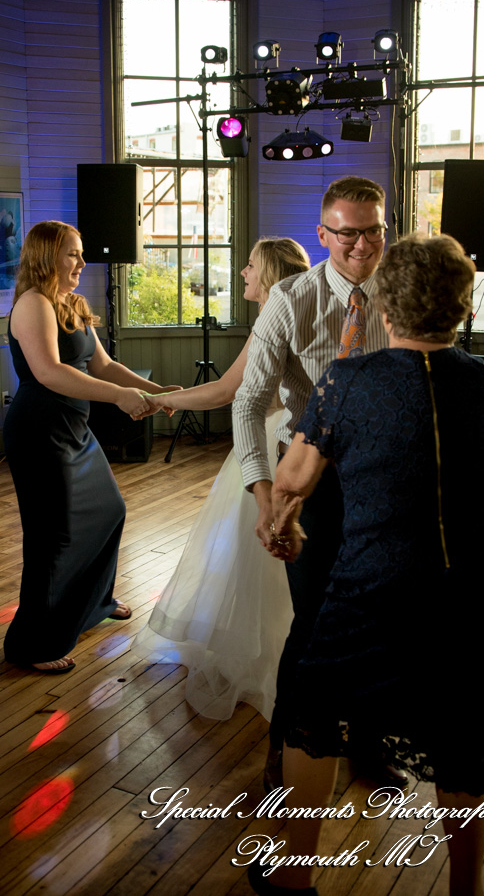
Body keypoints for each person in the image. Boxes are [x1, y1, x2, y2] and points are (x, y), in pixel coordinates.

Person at [256, 233, 484, 896]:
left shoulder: (347, 380)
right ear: (460, 309)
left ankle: (293, 877)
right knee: (461, 729)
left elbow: (293, 477)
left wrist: (281, 518)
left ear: (383, 305)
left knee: (310, 709)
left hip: (379, 576)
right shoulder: (481, 379)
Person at [232, 177, 393, 789]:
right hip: (311, 480)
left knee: (378, 616)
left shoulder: (398, 295)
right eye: (347, 232)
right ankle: (289, 745)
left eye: (372, 230)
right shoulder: (291, 300)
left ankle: (369, 745)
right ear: (323, 235)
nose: (361, 244)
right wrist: (265, 496)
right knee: (318, 618)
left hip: (381, 479)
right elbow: (248, 403)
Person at [131, 238, 310, 722]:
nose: (244, 273)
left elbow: (227, 393)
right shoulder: (305, 310)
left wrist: (162, 401)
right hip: (284, 441)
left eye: (250, 265)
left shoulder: (278, 314)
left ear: (270, 274)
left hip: (275, 449)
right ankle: (278, 652)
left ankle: (276, 665)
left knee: (265, 561)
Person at [3, 220, 179, 674]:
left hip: (73, 429)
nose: (82, 262)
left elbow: (103, 364)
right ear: (46, 257)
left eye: (80, 253)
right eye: (73, 254)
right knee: (53, 535)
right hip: (40, 431)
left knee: (109, 511)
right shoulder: (32, 304)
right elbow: (51, 373)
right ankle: (32, 643)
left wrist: (154, 393)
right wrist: (120, 399)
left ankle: (94, 603)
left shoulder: (71, 303)